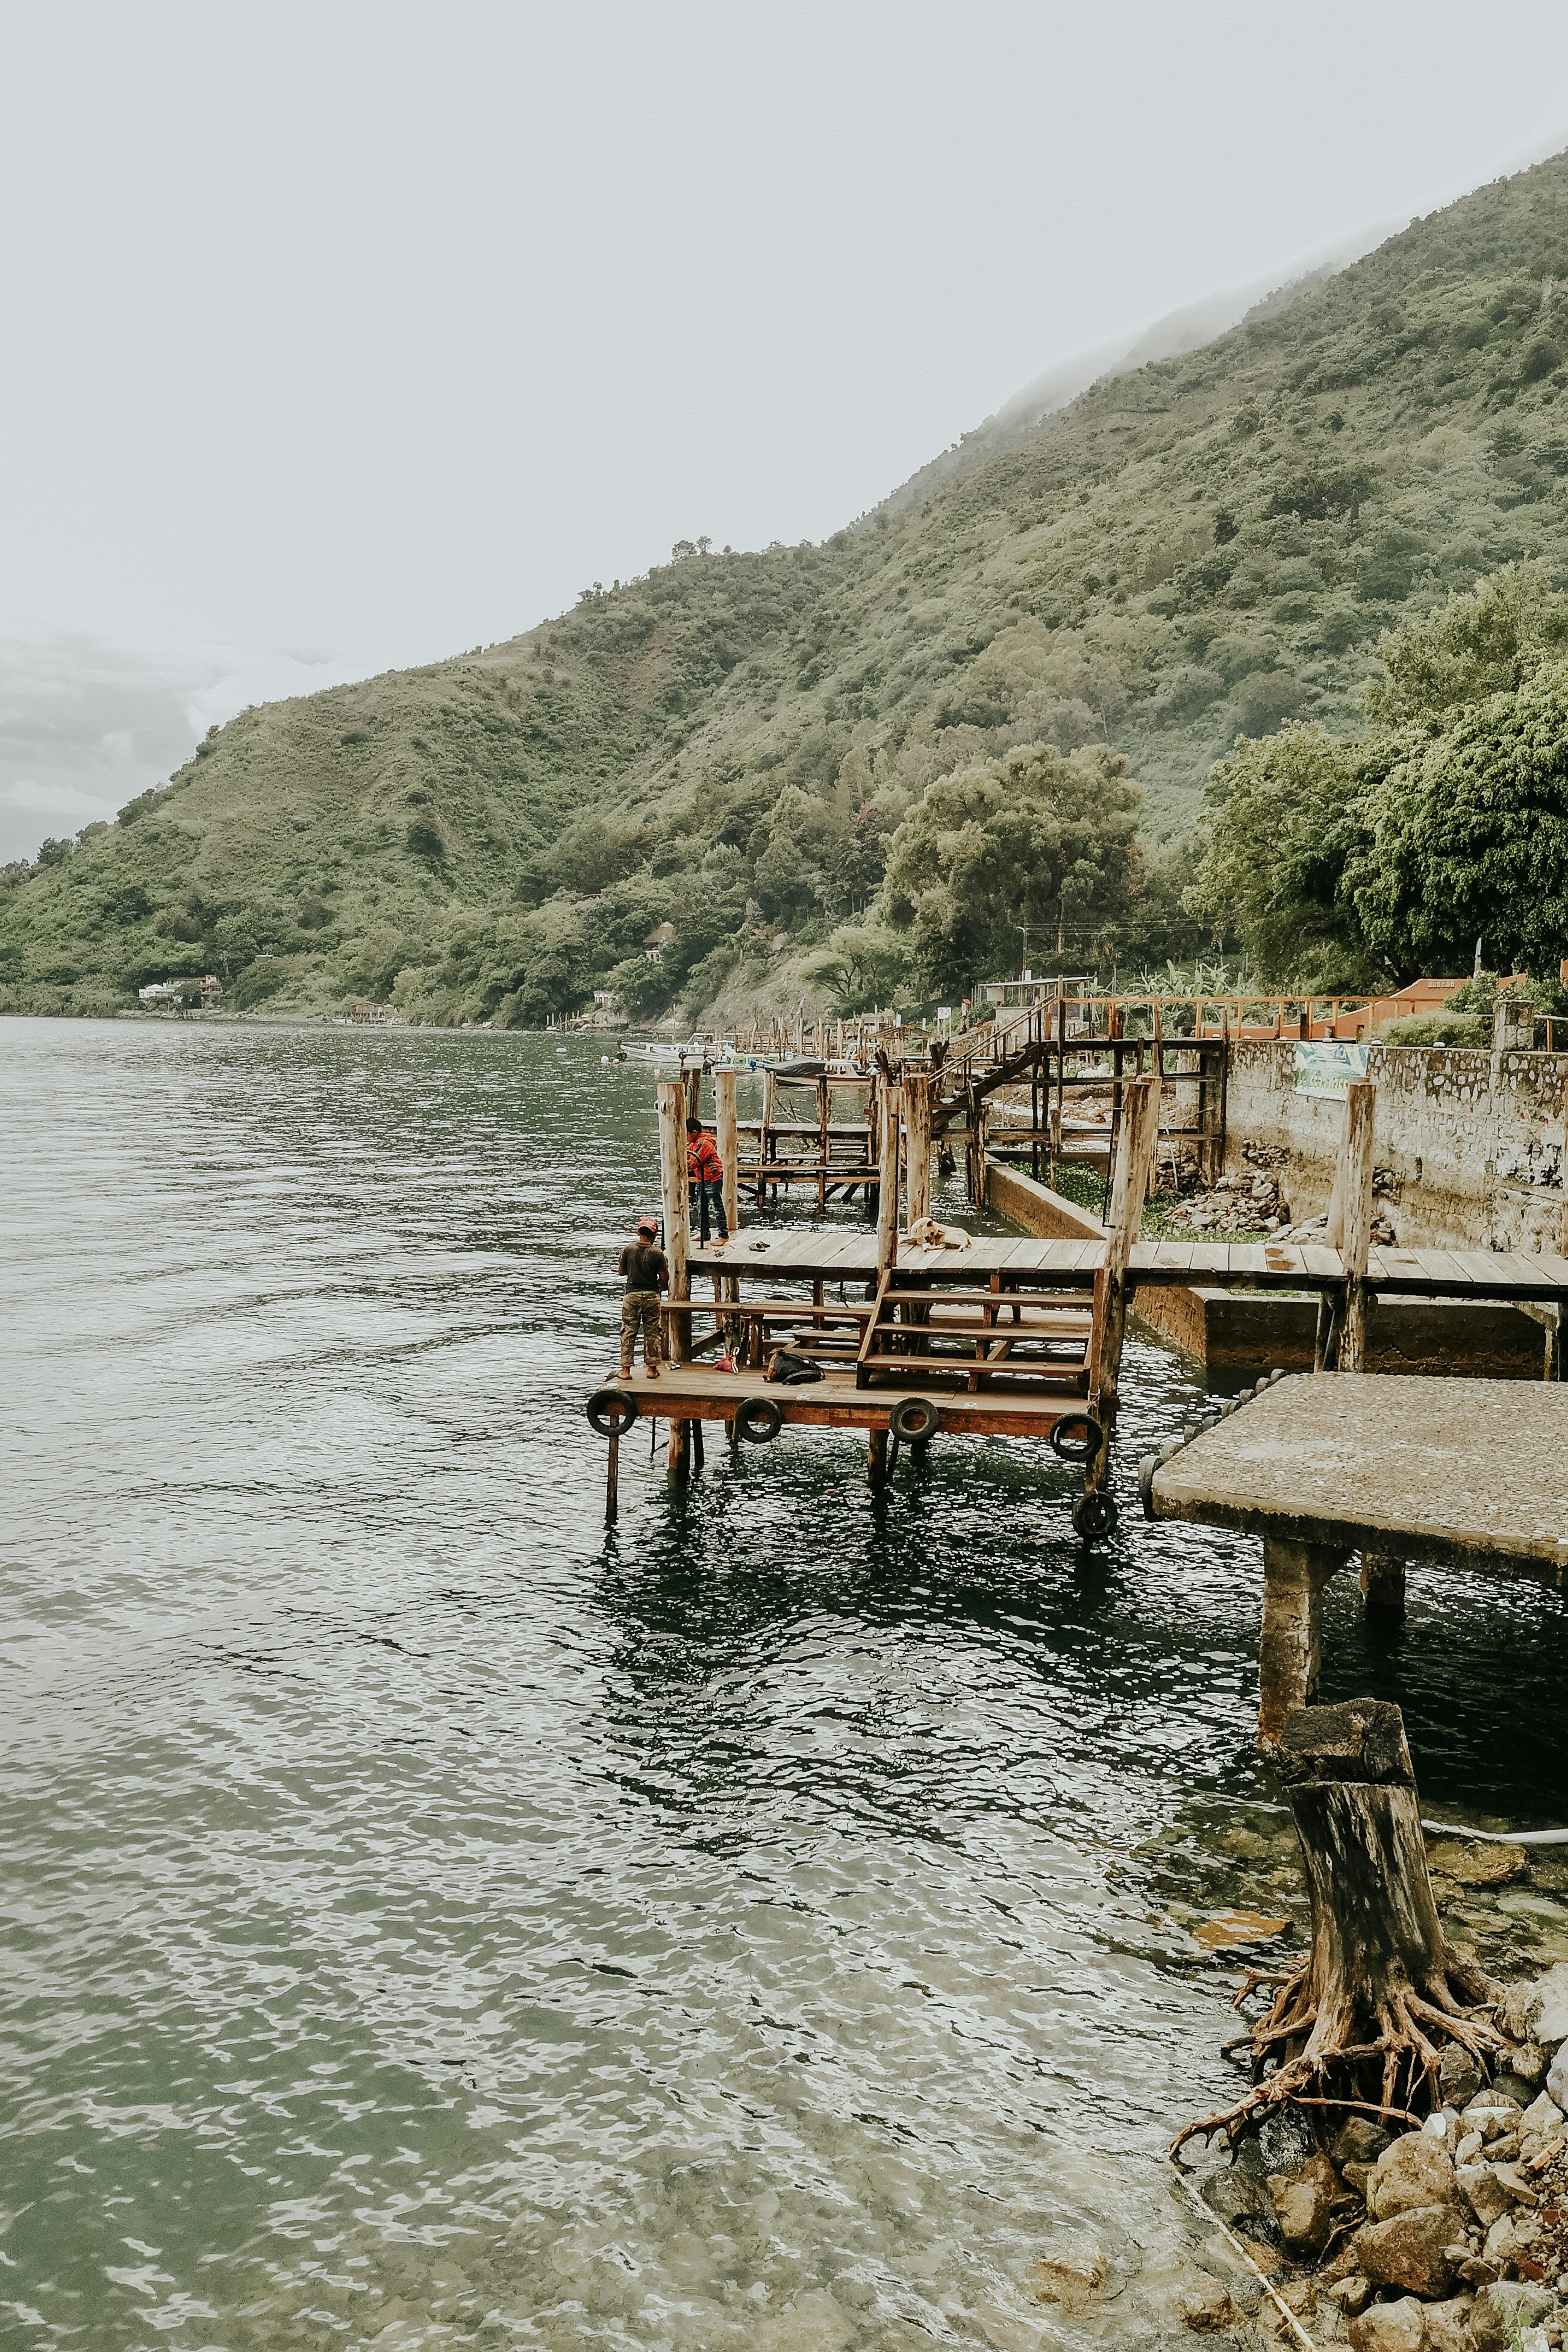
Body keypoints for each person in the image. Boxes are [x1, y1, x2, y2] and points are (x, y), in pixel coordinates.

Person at [617, 1215, 667, 1379]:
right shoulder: (658, 1253)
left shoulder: (628, 1250)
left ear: (639, 1232)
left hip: (632, 1295)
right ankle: (652, 1370)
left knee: (628, 1331)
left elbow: (621, 1272)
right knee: (652, 1332)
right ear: (654, 1235)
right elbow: (664, 1277)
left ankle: (625, 1370)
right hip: (652, 1296)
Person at [686, 1115, 729, 1246]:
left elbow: (693, 1162)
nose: (686, 1137)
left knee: (717, 1207)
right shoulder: (693, 1144)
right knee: (701, 1207)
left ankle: (723, 1235)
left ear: (694, 1133)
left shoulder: (704, 1144)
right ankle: (705, 1233)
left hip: (712, 1178)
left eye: (687, 1134)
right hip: (702, 1179)